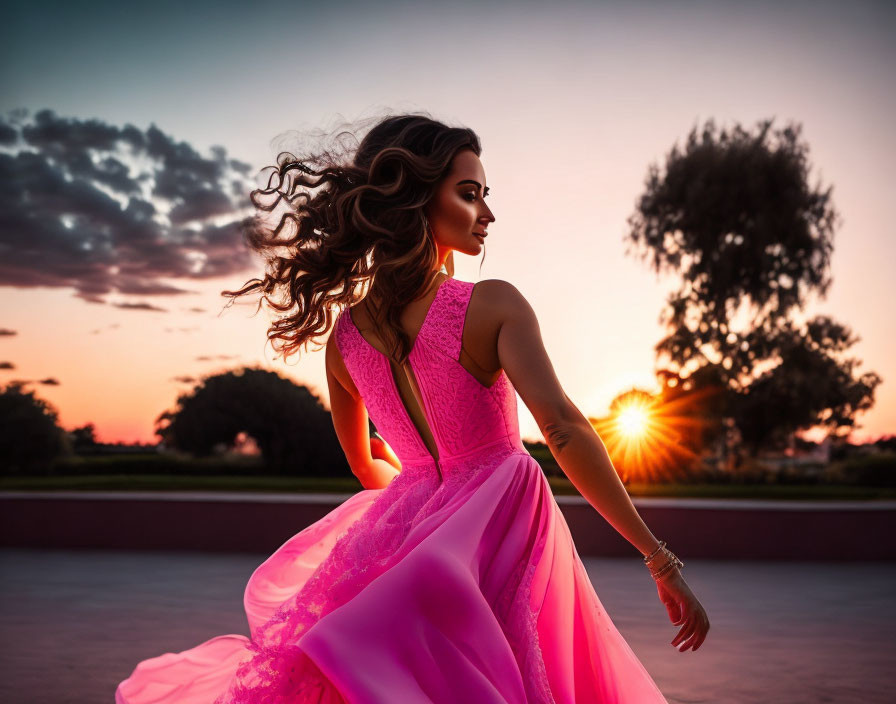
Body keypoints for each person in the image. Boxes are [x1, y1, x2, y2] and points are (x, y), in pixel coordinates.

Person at [116, 113, 709, 703]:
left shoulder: (344, 340)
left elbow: (363, 463)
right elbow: (561, 428)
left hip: (408, 532)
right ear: (416, 200)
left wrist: (416, 515)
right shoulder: (494, 304)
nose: (489, 215)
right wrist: (659, 560)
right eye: (469, 194)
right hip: (499, 531)